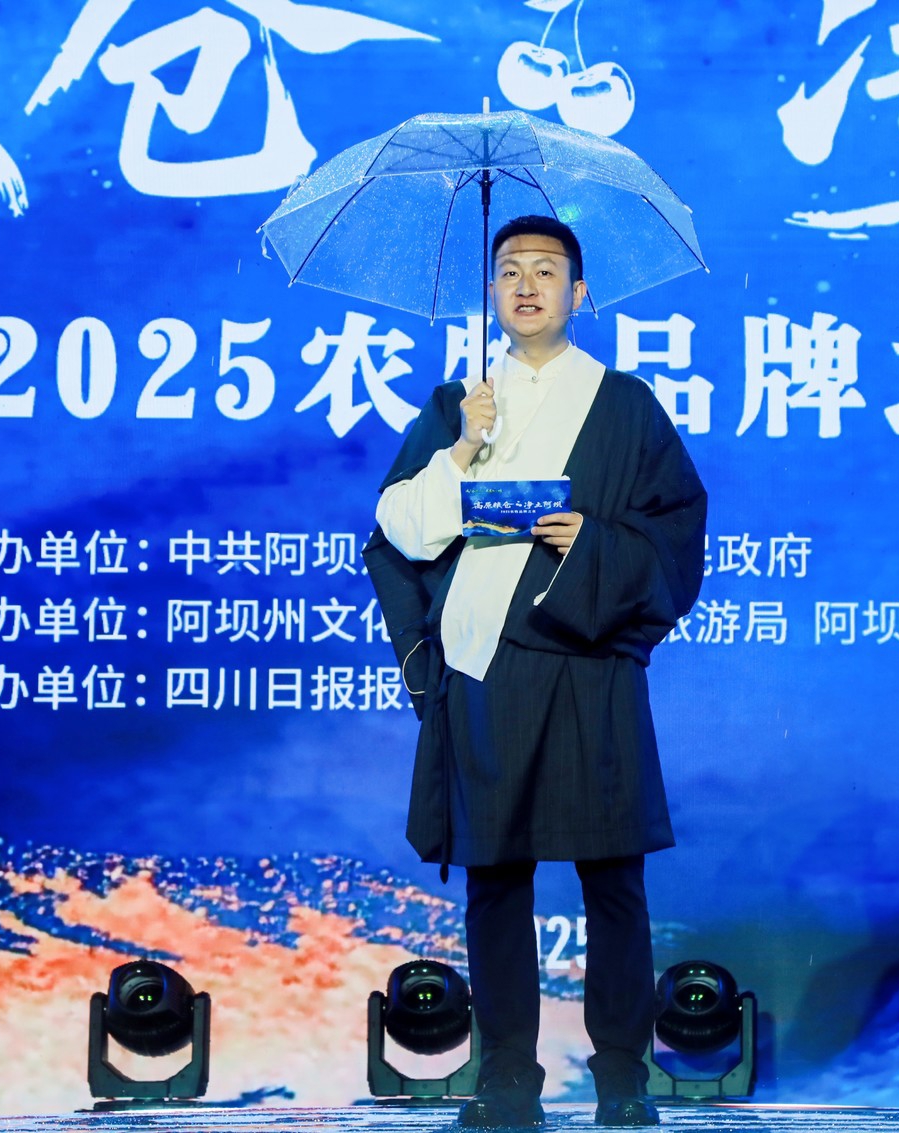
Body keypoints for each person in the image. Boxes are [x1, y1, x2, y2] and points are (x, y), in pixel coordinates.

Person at [362, 215, 707, 1127]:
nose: (526, 285)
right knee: (496, 874)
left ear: (578, 293)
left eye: (546, 271)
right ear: (492, 292)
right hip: (489, 661)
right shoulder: (459, 403)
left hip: (589, 659)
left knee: (613, 875)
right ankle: (508, 1072)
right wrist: (461, 448)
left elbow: (676, 531)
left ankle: (622, 1075)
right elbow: (400, 531)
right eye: (510, 270)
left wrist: (592, 540)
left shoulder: (624, 404)